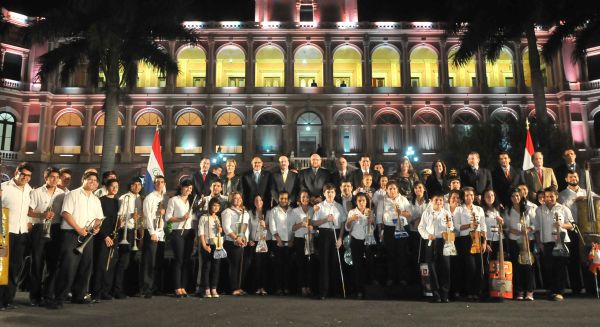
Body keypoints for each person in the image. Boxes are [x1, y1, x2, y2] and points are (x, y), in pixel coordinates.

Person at [50, 171, 104, 309]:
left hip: (88, 235)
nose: (93, 182)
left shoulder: (96, 199)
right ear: (83, 180)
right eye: (90, 180)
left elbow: (99, 218)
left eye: (95, 181)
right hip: (71, 233)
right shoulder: (72, 194)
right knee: (68, 267)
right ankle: (59, 298)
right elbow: (66, 213)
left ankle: (78, 296)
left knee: (85, 266)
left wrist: (97, 227)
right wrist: (78, 228)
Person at [28, 166, 64, 307]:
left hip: (55, 229)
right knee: (37, 263)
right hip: (39, 228)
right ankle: (35, 297)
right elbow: (29, 212)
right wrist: (42, 215)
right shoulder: (36, 192)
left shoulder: (62, 194)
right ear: (46, 177)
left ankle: (48, 295)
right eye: (52, 177)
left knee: (53, 264)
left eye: (57, 177)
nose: (55, 179)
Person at [0, 162, 33, 310]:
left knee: (15, 267)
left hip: (21, 234)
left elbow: (28, 212)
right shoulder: (4, 187)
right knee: (1, 268)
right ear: (16, 173)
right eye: (23, 174)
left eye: (28, 176)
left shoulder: (29, 190)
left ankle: (8, 299)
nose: (25, 177)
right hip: (3, 232)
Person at [535, 187, 574, 301]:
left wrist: (562, 225)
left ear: (556, 196)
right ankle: (551, 290)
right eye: (547, 196)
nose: (549, 198)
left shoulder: (563, 208)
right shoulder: (539, 210)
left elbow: (572, 225)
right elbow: (537, 228)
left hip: (561, 241)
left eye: (551, 196)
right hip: (547, 242)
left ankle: (559, 291)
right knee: (549, 267)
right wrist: (539, 243)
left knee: (560, 267)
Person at [312, 183, 347, 299]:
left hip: (335, 234)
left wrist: (340, 238)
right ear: (324, 193)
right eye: (328, 192)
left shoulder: (339, 207)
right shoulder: (319, 206)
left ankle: (334, 291)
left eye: (332, 192)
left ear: (335, 193)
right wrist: (325, 219)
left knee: (334, 263)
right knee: (324, 263)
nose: (330, 194)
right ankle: (323, 291)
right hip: (324, 234)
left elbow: (342, 223)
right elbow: (314, 223)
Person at [418, 192, 454, 303]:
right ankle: (436, 293)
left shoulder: (446, 213)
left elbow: (451, 227)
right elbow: (421, 227)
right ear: (432, 201)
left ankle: (445, 293)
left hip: (444, 241)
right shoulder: (427, 213)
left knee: (446, 267)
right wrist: (427, 235)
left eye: (440, 200)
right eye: (436, 200)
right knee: (432, 267)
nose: (438, 202)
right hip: (430, 241)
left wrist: (449, 228)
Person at [453, 186, 487, 301]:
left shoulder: (479, 209)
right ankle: (469, 291)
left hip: (478, 238)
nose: (470, 197)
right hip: (465, 239)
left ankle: (478, 291)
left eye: (472, 195)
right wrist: (469, 226)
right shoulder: (459, 209)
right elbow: (456, 226)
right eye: (467, 195)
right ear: (463, 196)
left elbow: (483, 226)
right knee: (470, 267)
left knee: (478, 266)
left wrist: (484, 242)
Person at [376, 181, 411, 286]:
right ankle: (391, 277)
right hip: (389, 228)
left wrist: (400, 213)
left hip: (401, 227)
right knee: (390, 253)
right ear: (386, 190)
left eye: (394, 188)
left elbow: (409, 213)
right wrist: (379, 231)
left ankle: (402, 278)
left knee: (402, 252)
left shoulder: (403, 199)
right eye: (390, 188)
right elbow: (379, 217)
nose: (392, 191)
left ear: (397, 189)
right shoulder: (383, 200)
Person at [113, 177, 142, 299]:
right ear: (130, 186)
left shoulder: (140, 198)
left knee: (133, 262)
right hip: (126, 232)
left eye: (139, 185)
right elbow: (120, 217)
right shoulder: (125, 197)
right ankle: (118, 290)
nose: (137, 187)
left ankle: (130, 289)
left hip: (135, 231)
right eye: (134, 184)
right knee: (123, 262)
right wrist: (131, 215)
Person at [505, 189, 536, 301]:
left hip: (528, 241)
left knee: (528, 266)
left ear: (521, 196)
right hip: (514, 241)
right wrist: (512, 231)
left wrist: (529, 229)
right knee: (517, 267)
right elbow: (506, 226)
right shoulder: (508, 210)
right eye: (513, 196)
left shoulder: (528, 209)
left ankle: (529, 291)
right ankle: (519, 291)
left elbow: (535, 223)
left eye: (517, 196)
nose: (515, 198)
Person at [92, 179, 120, 302]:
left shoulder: (117, 202)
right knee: (100, 264)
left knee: (111, 264)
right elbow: (98, 220)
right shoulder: (101, 200)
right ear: (107, 187)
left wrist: (120, 224)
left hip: (114, 236)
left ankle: (106, 291)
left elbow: (115, 220)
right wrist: (104, 236)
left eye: (117, 186)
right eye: (112, 186)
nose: (115, 188)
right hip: (102, 236)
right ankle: (96, 292)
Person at [166, 179, 195, 298]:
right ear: (181, 187)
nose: (189, 190)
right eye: (187, 187)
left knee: (187, 260)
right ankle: (177, 287)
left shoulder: (192, 201)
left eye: (191, 188)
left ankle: (183, 287)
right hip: (178, 231)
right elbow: (168, 217)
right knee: (179, 260)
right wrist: (181, 219)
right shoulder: (174, 200)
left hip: (189, 232)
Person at [140, 176, 168, 299]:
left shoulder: (164, 198)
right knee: (149, 262)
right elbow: (147, 216)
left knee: (158, 262)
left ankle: (156, 287)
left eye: (162, 182)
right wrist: (152, 232)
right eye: (157, 182)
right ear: (154, 184)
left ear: (164, 184)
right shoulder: (149, 198)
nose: (160, 184)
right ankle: (146, 288)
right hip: (152, 233)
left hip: (161, 233)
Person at [345, 193, 373, 299]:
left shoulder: (369, 212)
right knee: (357, 267)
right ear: (356, 202)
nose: (361, 202)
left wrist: (372, 221)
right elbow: (347, 228)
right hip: (356, 241)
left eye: (364, 200)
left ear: (366, 202)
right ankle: (359, 290)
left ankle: (368, 289)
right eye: (359, 200)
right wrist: (350, 219)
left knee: (368, 265)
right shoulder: (352, 212)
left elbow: (373, 228)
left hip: (367, 241)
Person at [222, 191, 249, 295]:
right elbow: (226, 228)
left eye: (239, 198)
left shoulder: (245, 212)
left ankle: (238, 286)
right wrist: (236, 238)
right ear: (231, 200)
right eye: (235, 198)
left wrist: (245, 237)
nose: (238, 200)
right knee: (233, 265)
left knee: (240, 265)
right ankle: (233, 288)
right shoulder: (227, 212)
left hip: (242, 241)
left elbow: (246, 226)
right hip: (231, 242)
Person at [268, 191, 293, 295]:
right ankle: (278, 288)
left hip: (290, 242)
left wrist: (292, 240)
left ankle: (287, 287)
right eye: (282, 198)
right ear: (278, 199)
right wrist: (278, 240)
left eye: (286, 198)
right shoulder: (274, 211)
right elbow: (272, 227)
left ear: (288, 200)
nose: (284, 200)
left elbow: (294, 226)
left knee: (288, 266)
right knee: (278, 266)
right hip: (278, 243)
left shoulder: (293, 211)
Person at [291, 191, 315, 297]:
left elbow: (315, 224)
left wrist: (312, 227)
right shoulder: (295, 211)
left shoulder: (312, 210)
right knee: (301, 265)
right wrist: (301, 224)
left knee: (310, 265)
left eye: (307, 197)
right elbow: (292, 228)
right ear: (300, 199)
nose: (305, 198)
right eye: (303, 197)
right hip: (300, 240)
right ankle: (303, 287)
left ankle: (309, 286)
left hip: (310, 239)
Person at [198, 198, 224, 298]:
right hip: (207, 244)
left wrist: (220, 230)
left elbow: (219, 232)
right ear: (210, 206)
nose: (216, 207)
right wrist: (204, 245)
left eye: (218, 205)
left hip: (217, 244)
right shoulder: (204, 217)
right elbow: (201, 232)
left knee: (216, 267)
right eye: (214, 205)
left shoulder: (217, 218)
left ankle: (214, 288)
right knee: (207, 267)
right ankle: (206, 289)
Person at [247, 195, 270, 295]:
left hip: (265, 240)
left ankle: (263, 287)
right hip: (255, 241)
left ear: (263, 201)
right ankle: (257, 287)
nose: (258, 201)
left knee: (264, 265)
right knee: (256, 265)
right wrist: (248, 240)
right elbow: (247, 228)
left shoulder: (268, 213)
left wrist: (266, 225)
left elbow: (273, 226)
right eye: (256, 200)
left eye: (260, 200)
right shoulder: (250, 213)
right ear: (253, 202)